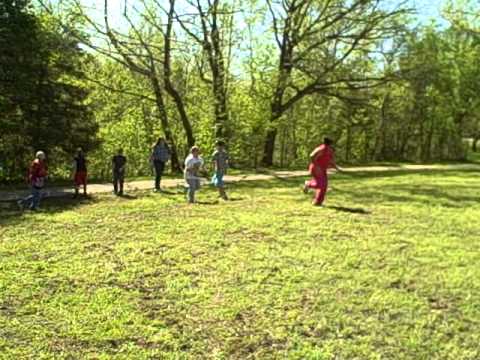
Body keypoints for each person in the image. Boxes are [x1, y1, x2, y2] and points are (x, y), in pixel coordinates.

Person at [304, 138, 342, 206]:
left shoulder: (329, 151)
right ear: (330, 144)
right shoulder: (322, 148)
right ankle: (308, 184)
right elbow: (312, 155)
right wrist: (316, 165)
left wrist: (337, 168)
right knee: (320, 185)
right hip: (316, 168)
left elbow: (330, 161)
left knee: (324, 186)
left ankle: (317, 202)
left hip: (322, 169)